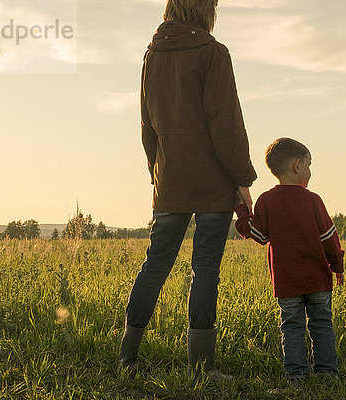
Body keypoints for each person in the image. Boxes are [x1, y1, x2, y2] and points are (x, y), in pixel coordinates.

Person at [118, 0, 256, 380]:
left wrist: (155, 169)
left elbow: (147, 122)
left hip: (170, 179)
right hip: (213, 182)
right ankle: (201, 368)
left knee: (156, 263)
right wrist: (243, 178)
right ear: (205, 10)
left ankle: (126, 358)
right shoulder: (214, 53)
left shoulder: (152, 55)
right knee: (205, 269)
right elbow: (225, 122)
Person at [235, 137, 344, 385]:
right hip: (317, 278)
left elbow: (258, 235)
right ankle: (327, 374)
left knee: (292, 327)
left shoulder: (266, 200)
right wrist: (337, 266)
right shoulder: (313, 200)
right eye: (308, 164)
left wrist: (242, 211)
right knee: (321, 325)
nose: (309, 170)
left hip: (287, 282)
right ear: (297, 165)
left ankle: (296, 376)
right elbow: (329, 238)